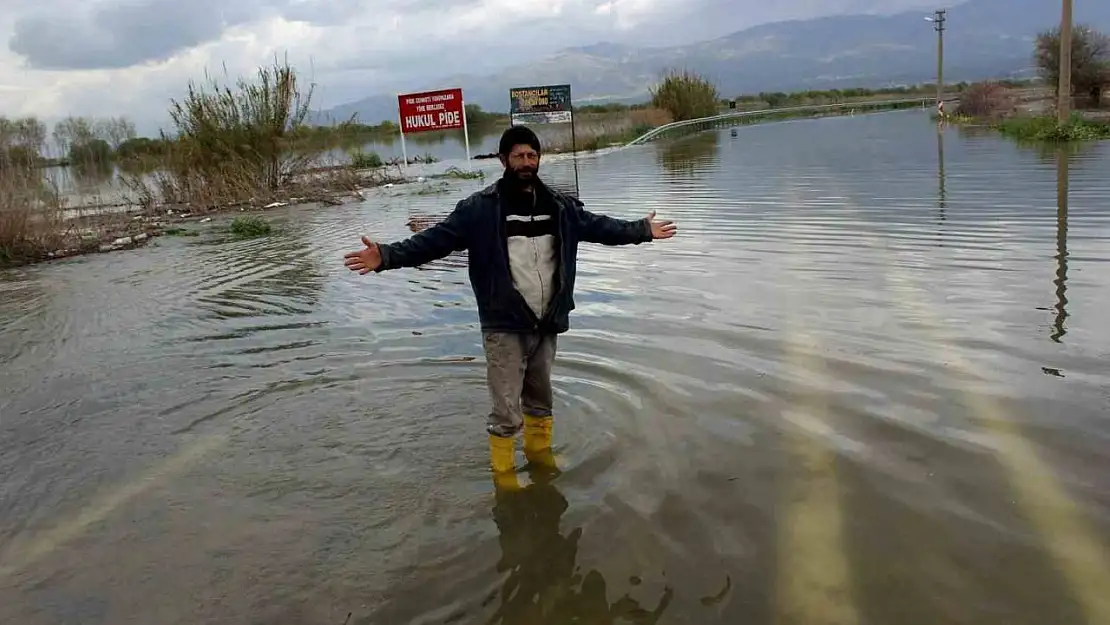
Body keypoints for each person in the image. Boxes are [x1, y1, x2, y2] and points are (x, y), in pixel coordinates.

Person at [342, 126, 677, 487]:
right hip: (504, 323)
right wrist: (387, 255)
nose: (525, 162)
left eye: (531, 155)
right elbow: (433, 242)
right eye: (518, 155)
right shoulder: (479, 210)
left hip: (546, 320)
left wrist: (642, 230)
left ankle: (540, 459)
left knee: (540, 399)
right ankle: (504, 479)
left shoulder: (560, 207)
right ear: (503, 160)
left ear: (539, 160)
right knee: (505, 409)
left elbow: (601, 227)